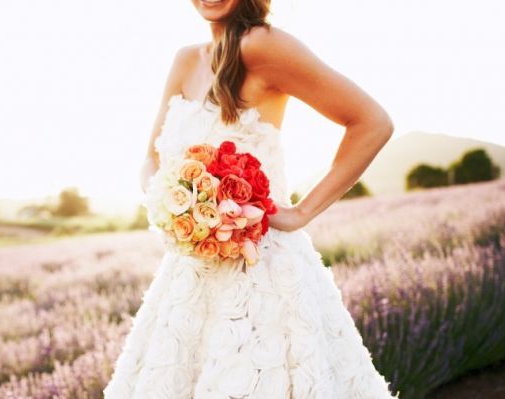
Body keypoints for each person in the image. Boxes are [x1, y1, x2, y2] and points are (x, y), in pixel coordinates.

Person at [104, 0, 399, 398]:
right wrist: (174, 198)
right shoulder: (185, 60)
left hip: (259, 273)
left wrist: (301, 213)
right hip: (189, 276)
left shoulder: (263, 45)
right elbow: (151, 159)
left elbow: (372, 122)